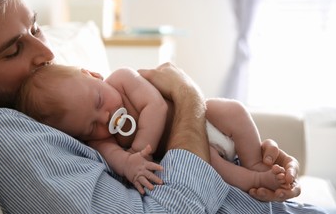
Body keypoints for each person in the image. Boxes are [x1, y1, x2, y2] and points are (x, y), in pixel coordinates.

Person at [0, 0, 331, 214]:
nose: (46, 52)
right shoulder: (6, 135)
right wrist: (188, 96)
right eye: (14, 50)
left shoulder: (61, 91)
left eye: (35, 29)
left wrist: (254, 159)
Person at [16, 64, 288, 195]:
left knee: (234, 110)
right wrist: (131, 165)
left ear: (94, 75)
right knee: (213, 165)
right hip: (191, 149)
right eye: (90, 125)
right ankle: (255, 181)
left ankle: (254, 163)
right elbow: (119, 161)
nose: (105, 117)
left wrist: (138, 150)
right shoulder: (99, 142)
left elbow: (155, 106)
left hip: (203, 118)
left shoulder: (122, 79)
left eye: (99, 101)